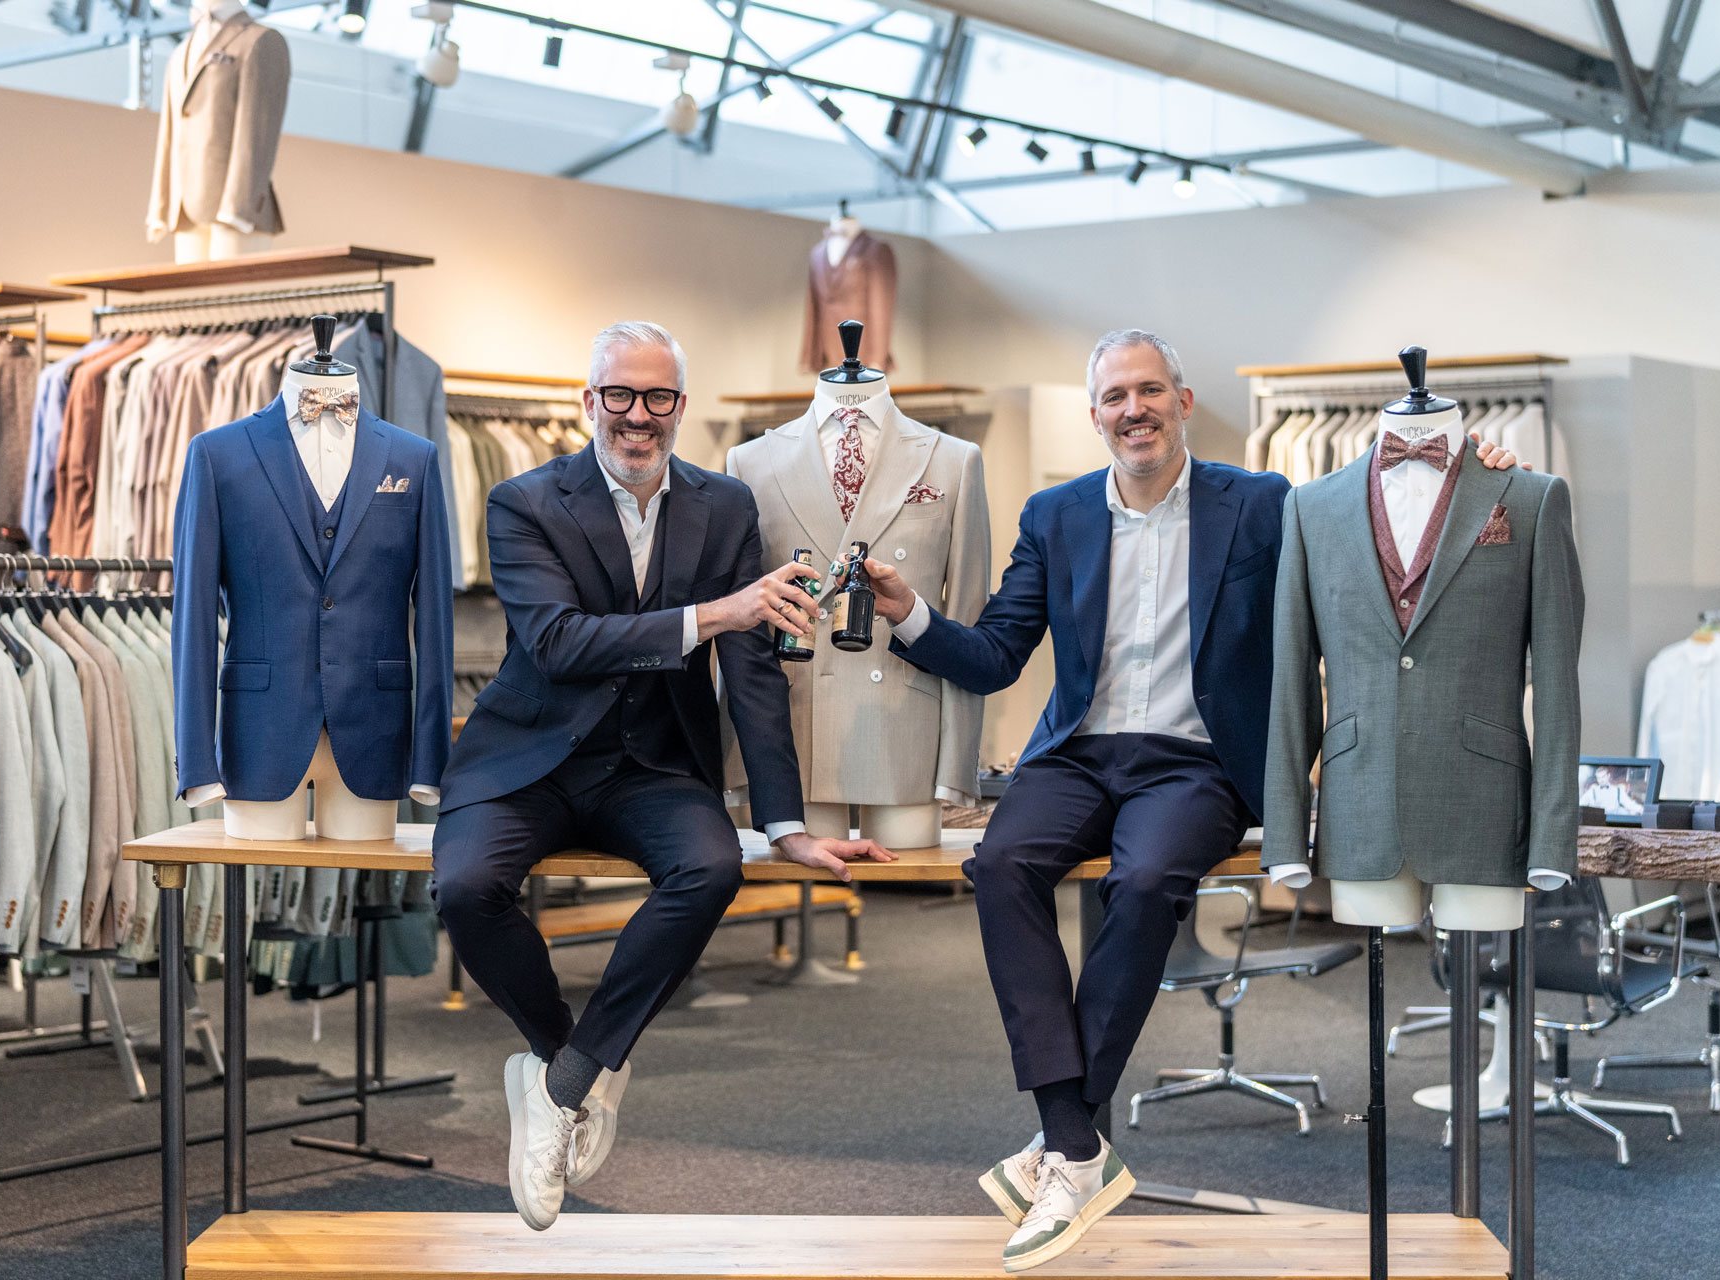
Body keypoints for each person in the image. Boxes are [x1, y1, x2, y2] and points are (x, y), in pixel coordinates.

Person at [860, 330, 1526, 1272]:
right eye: (1113, 398)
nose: (1132, 410)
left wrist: (1476, 474)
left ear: (1182, 399)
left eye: (1148, 391)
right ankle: (1075, 1141)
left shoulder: (1262, 504)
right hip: (1078, 752)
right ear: (1095, 416)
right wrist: (907, 614)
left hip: (1200, 762)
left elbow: (1370, 563)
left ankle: (1063, 1144)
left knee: (1142, 884)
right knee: (999, 863)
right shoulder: (1054, 515)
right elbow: (999, 652)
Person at [432, 322, 891, 1231]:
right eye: (620, 395)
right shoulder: (523, 500)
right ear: (588, 400)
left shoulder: (724, 506)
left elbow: (754, 668)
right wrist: (716, 613)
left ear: (681, 404)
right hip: (529, 755)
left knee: (713, 869)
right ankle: (561, 1052)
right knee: (466, 885)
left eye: (659, 397)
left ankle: (565, 1081)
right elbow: (557, 644)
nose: (638, 417)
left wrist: (783, 821)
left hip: (653, 763)